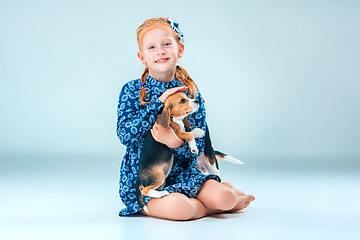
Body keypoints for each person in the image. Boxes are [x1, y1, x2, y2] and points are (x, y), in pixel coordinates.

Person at [116, 17, 255, 220]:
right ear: (141, 56)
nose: (160, 51)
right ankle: (211, 208)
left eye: (166, 44)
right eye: (152, 47)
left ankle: (220, 198)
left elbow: (197, 144)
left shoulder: (189, 91)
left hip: (183, 173)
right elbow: (125, 135)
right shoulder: (132, 90)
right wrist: (159, 102)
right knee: (180, 209)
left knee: (225, 197)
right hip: (147, 180)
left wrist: (176, 142)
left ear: (179, 50)